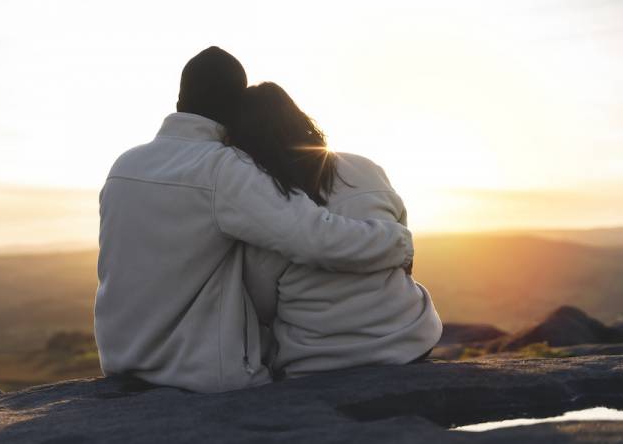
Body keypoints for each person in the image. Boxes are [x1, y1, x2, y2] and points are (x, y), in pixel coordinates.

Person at [94, 47, 414, 393]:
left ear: (179, 99)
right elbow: (315, 238)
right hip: (196, 371)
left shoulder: (123, 166)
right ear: (235, 109)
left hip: (121, 358)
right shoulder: (225, 168)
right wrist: (397, 241)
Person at [228, 82, 442, 379]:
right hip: (408, 340)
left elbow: (262, 305)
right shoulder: (366, 169)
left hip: (317, 359)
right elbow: (404, 258)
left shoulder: (268, 208)